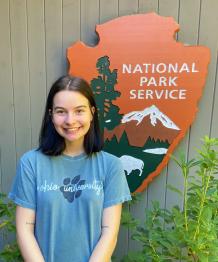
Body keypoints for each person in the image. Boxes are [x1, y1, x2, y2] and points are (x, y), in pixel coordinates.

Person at [8, 75, 132, 262]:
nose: (70, 120)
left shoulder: (111, 166)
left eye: (79, 111)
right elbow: (25, 230)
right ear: (51, 115)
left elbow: (109, 233)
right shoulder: (31, 163)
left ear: (92, 112)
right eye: (61, 111)